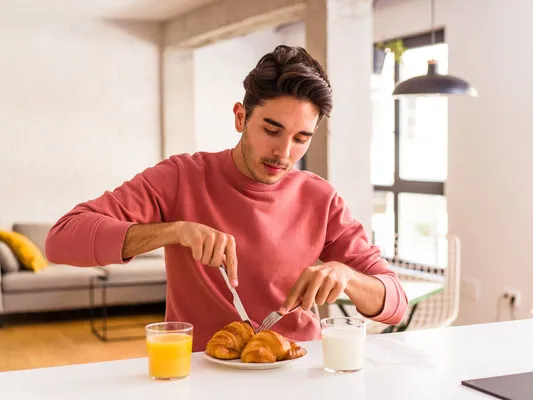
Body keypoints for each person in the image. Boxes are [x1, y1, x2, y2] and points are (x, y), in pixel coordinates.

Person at [45, 45, 408, 352]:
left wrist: (347, 276)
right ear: (240, 117)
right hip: (203, 373)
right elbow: (61, 239)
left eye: (301, 138)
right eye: (271, 129)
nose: (283, 152)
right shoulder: (181, 177)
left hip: (298, 368)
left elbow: (396, 303)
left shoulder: (321, 198)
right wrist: (174, 232)